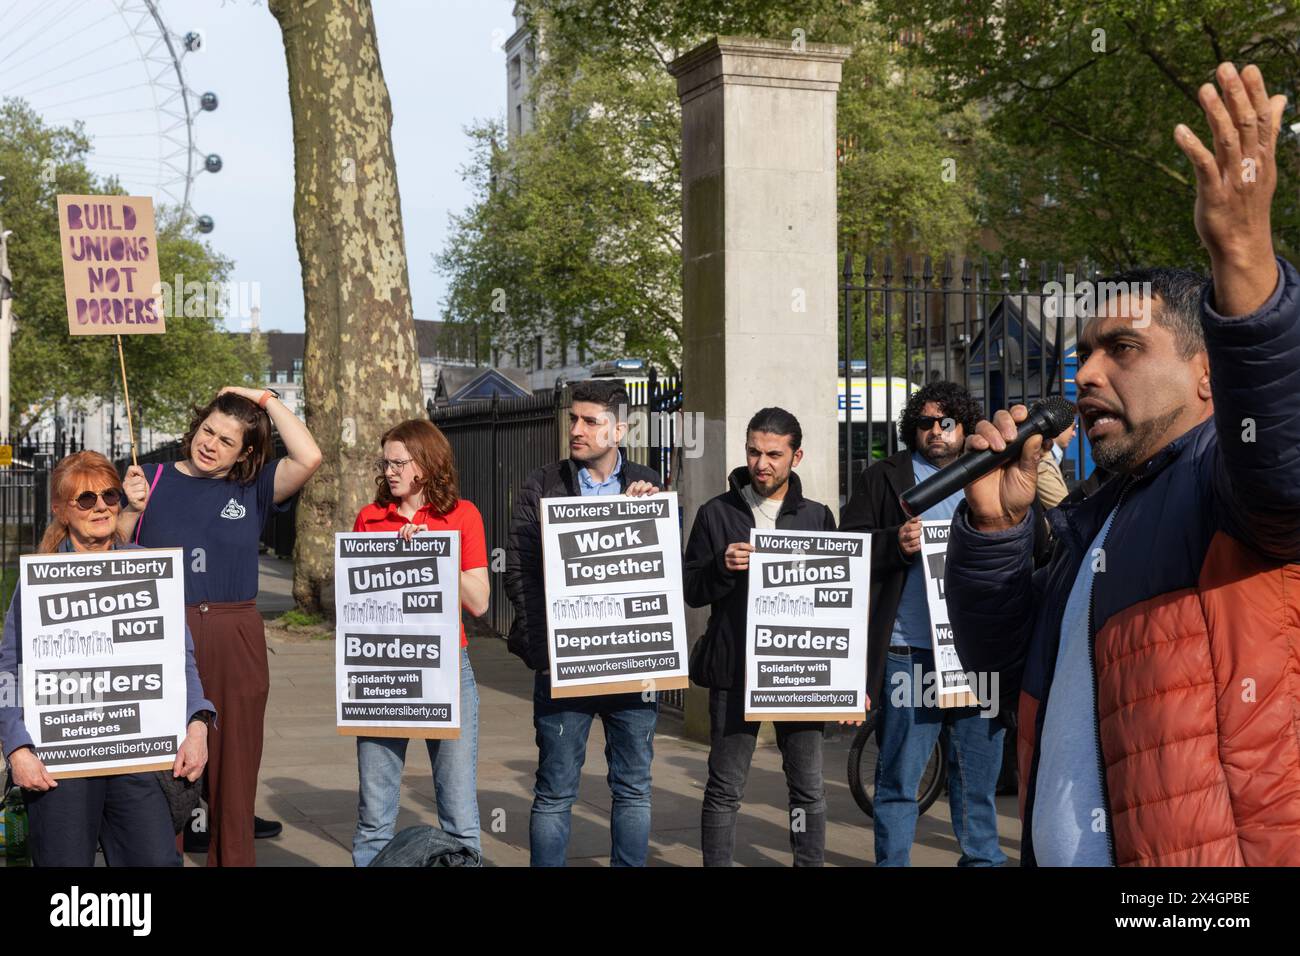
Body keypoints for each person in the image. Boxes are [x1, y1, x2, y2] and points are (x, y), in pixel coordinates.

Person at [945, 62, 1300, 866]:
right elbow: (998, 657)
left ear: (1211, 372)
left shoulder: (1227, 486)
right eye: (1082, 355)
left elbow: (1281, 466)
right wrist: (996, 528)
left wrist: (1244, 261)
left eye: (1124, 349)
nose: (1089, 375)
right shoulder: (1100, 507)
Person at [120, 386, 322, 866]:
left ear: (245, 452)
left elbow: (309, 454)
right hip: (164, 633)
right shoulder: (150, 477)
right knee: (163, 765)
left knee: (235, 766)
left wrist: (264, 398)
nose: (210, 443)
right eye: (208, 430)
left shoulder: (254, 487)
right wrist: (130, 509)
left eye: (226, 441)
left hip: (236, 634)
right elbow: (114, 557)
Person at [0, 452, 214, 866]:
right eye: (85, 499)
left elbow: (179, 659)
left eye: (110, 494)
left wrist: (198, 723)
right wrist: (17, 748)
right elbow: (9, 669)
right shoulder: (38, 580)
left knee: (156, 861)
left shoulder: (148, 568)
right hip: (58, 764)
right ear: (61, 510)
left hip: (138, 758)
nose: (101, 506)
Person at [840, 383, 1006, 866]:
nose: (936, 431)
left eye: (947, 422)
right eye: (926, 422)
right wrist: (894, 543)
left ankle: (983, 861)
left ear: (965, 426)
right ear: (913, 428)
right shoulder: (882, 478)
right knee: (898, 780)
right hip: (908, 652)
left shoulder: (992, 472)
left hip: (977, 655)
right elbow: (847, 549)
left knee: (976, 782)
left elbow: (1029, 543)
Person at [504, 379, 661, 867]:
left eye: (590, 421)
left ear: (620, 429)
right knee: (554, 791)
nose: (576, 429)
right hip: (562, 668)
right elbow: (518, 569)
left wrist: (652, 515)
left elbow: (666, 574)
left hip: (632, 669)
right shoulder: (543, 483)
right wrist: (541, 650)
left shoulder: (647, 481)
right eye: (573, 419)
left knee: (633, 790)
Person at [684, 407, 837, 866]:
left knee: (808, 788)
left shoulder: (818, 517)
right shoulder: (716, 513)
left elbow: (837, 600)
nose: (762, 463)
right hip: (735, 668)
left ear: (797, 456)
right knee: (725, 786)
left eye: (774, 453)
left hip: (800, 671)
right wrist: (719, 567)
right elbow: (690, 590)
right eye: (754, 452)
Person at [349, 419, 489, 865]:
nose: (388, 471)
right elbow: (356, 601)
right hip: (382, 670)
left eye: (398, 463)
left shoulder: (462, 515)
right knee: (374, 816)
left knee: (459, 812)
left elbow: (481, 602)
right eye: (385, 462)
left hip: (447, 668)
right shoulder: (369, 519)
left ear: (426, 465)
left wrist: (438, 556)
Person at [1035, 417, 1076, 510]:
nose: (1074, 434)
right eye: (1073, 428)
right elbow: (1066, 512)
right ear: (1059, 425)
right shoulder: (1043, 465)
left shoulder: (1052, 459)